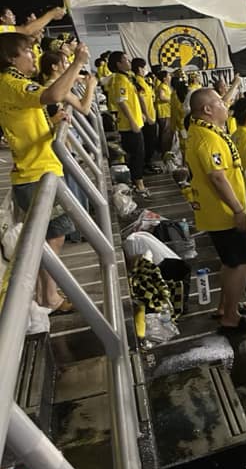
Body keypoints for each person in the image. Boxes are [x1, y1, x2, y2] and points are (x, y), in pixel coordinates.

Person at [0, 34, 88, 312]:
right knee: (53, 236)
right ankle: (48, 296)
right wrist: (78, 62)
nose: (34, 55)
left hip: (36, 169)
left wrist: (52, 121)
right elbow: (52, 95)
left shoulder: (11, 83)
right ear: (10, 58)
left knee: (47, 237)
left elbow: (25, 123)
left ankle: (44, 293)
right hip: (36, 172)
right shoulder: (11, 82)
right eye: (27, 51)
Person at [185, 88, 246, 333]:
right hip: (224, 213)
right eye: (221, 103)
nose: (227, 105)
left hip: (219, 212)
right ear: (207, 110)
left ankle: (225, 307)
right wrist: (238, 210)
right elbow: (217, 177)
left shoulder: (202, 131)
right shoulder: (207, 138)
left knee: (230, 262)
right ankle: (231, 317)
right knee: (242, 263)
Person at [107, 51, 149, 197]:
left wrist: (140, 114)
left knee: (139, 153)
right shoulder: (120, 80)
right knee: (137, 154)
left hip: (135, 121)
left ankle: (137, 181)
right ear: (119, 64)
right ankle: (139, 184)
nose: (129, 62)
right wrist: (132, 121)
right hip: (129, 125)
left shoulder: (126, 77)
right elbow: (122, 102)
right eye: (126, 60)